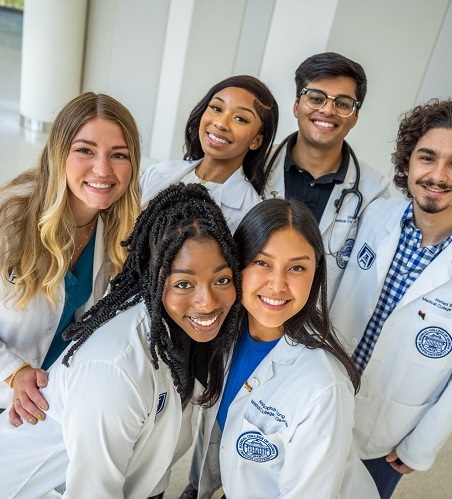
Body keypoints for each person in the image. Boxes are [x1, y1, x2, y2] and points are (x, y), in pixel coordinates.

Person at [0, 183, 241, 498]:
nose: (207, 302)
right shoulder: (115, 367)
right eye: (184, 283)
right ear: (152, 278)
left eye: (222, 279)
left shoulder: (182, 342)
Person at [331, 98, 452, 498]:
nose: (438, 175)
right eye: (427, 158)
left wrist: (421, 446)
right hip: (325, 397)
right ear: (408, 164)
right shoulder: (375, 218)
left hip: (388, 432)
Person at [196, 198, 379, 498]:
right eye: (262, 262)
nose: (277, 284)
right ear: (237, 263)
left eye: (296, 267)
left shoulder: (324, 388)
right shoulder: (222, 334)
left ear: (316, 274)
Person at [0, 92, 141, 426]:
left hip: (51, 398)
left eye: (118, 155)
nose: (103, 169)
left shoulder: (120, 228)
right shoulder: (9, 218)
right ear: (58, 153)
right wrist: (13, 372)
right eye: (85, 150)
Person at [261, 52, 389, 302]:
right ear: (297, 106)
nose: (328, 110)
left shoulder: (374, 192)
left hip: (314, 327)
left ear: (355, 116)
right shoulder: (256, 163)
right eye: (316, 98)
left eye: (342, 103)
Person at [140, 74, 279, 233]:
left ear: (256, 141)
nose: (220, 124)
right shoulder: (158, 173)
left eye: (240, 118)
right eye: (216, 108)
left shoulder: (251, 214)